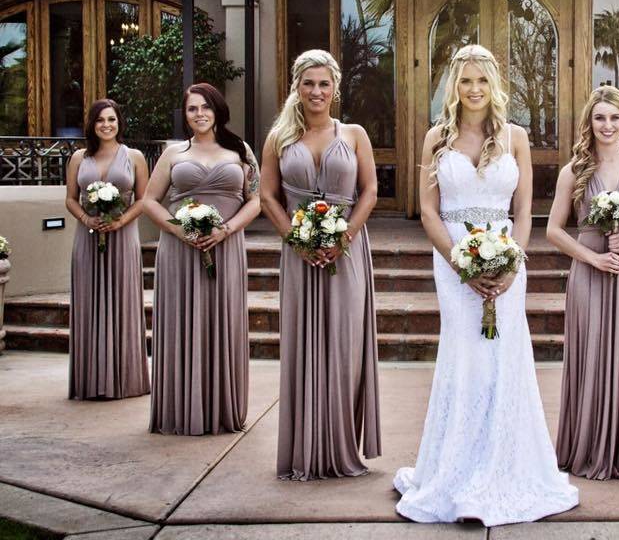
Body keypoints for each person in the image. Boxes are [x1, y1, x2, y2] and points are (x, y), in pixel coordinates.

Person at [394, 44, 578, 525]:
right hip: (453, 259)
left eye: (481, 80)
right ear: (453, 85)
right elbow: (429, 210)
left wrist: (513, 262)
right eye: (464, 80)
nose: (473, 89)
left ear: (494, 84)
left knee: (502, 358)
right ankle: (453, 470)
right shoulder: (436, 137)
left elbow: (523, 211)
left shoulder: (516, 137)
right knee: (465, 354)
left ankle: (505, 465)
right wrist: (460, 265)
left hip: (505, 254)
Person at [261, 49, 381, 479]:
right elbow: (267, 197)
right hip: (298, 255)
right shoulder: (278, 137)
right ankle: (306, 448)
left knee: (345, 344)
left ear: (335, 87)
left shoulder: (353, 134)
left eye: (324, 83)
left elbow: (369, 190)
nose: (316, 91)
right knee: (302, 342)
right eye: (308, 83)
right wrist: (296, 240)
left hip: (347, 254)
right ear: (296, 86)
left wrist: (345, 235)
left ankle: (341, 444)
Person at [546, 85, 619, 480]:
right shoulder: (574, 170)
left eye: (614, 117)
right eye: (600, 117)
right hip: (589, 272)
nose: (607, 125)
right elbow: (553, 231)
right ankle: (587, 447)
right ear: (590, 121)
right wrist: (594, 258)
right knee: (592, 353)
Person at [143, 83, 260, 435]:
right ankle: (181, 408)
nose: (199, 114)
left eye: (205, 107)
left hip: (226, 248)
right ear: (186, 115)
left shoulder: (240, 150)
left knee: (221, 320)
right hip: (180, 252)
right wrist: (179, 230)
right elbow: (149, 200)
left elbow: (255, 200)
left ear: (217, 110)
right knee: (182, 321)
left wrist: (226, 230)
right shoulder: (173, 153)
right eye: (192, 109)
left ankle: (221, 406)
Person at [64, 99, 150, 400]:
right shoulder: (78, 157)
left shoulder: (135, 157)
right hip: (87, 239)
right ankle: (91, 380)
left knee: (122, 299)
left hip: (123, 237)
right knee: (89, 300)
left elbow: (143, 199)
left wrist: (121, 221)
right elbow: (71, 199)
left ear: (119, 123)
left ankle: (126, 380)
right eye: (100, 120)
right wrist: (87, 218)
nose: (106, 125)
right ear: (92, 124)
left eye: (111, 119)